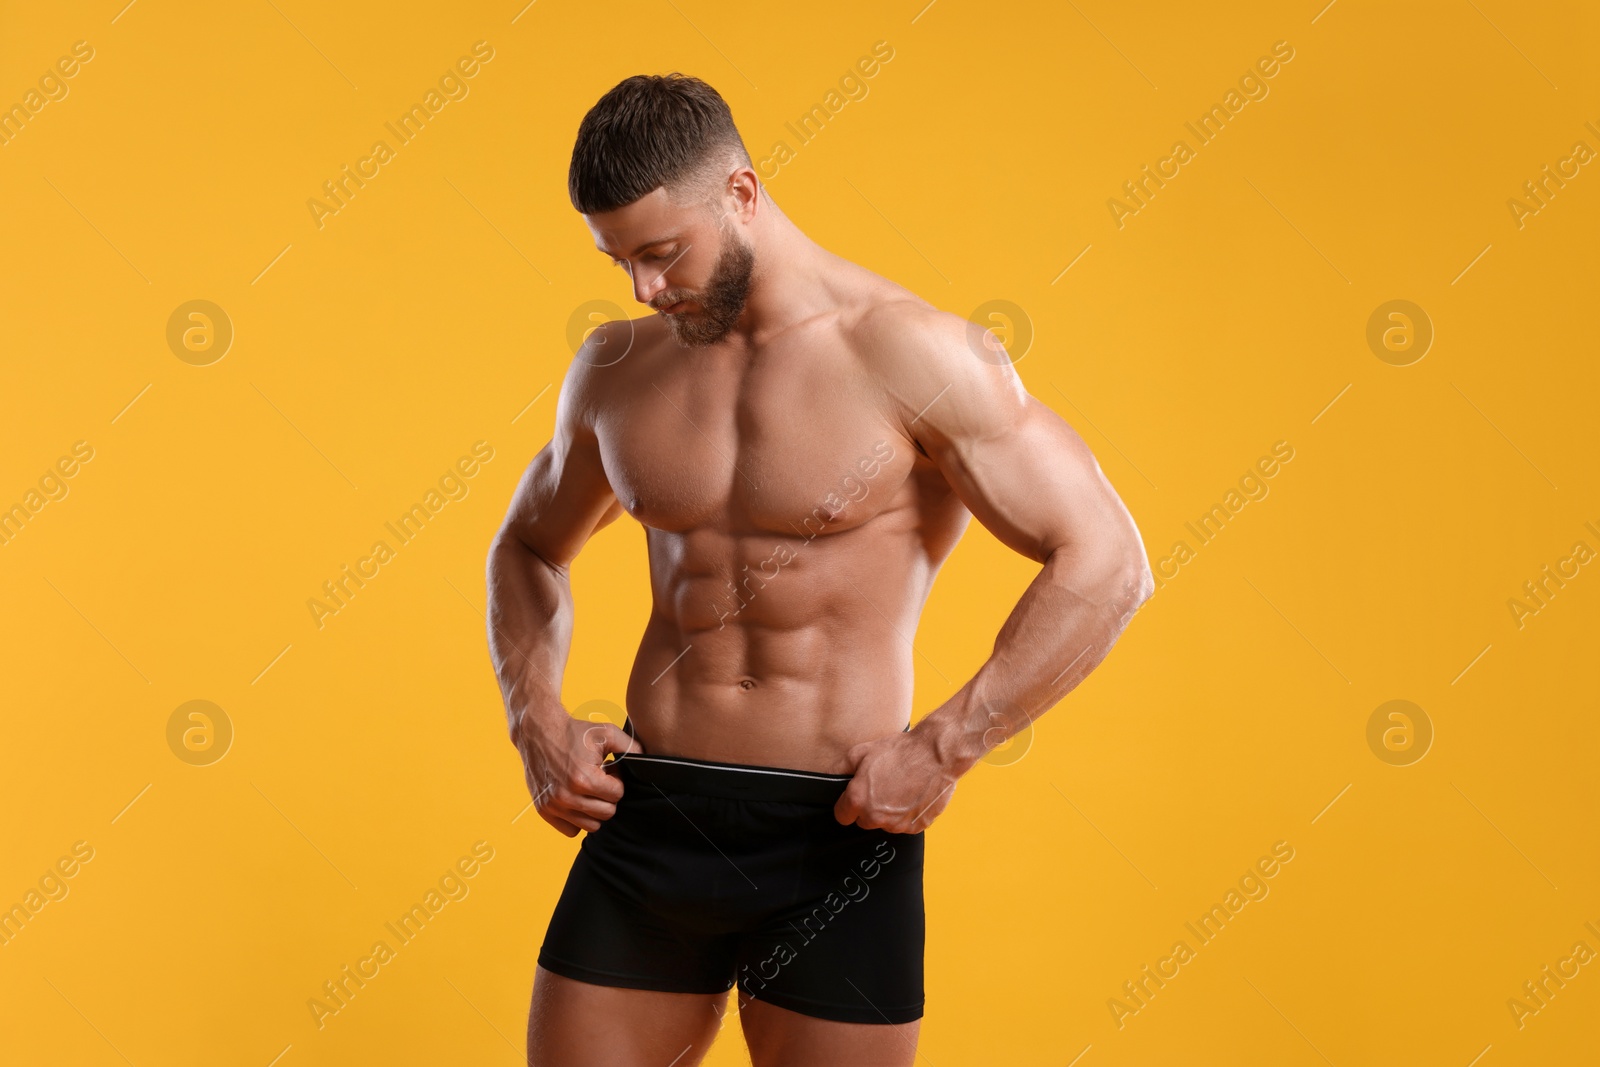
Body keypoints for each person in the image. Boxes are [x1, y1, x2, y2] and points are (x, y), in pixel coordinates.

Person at [484, 71, 1154, 1067]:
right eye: (619, 260)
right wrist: (531, 712)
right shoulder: (618, 366)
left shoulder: (913, 354)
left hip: (833, 830)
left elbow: (1106, 561)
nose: (644, 289)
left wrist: (944, 746)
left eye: (663, 253)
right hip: (653, 810)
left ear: (741, 194)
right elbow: (528, 545)